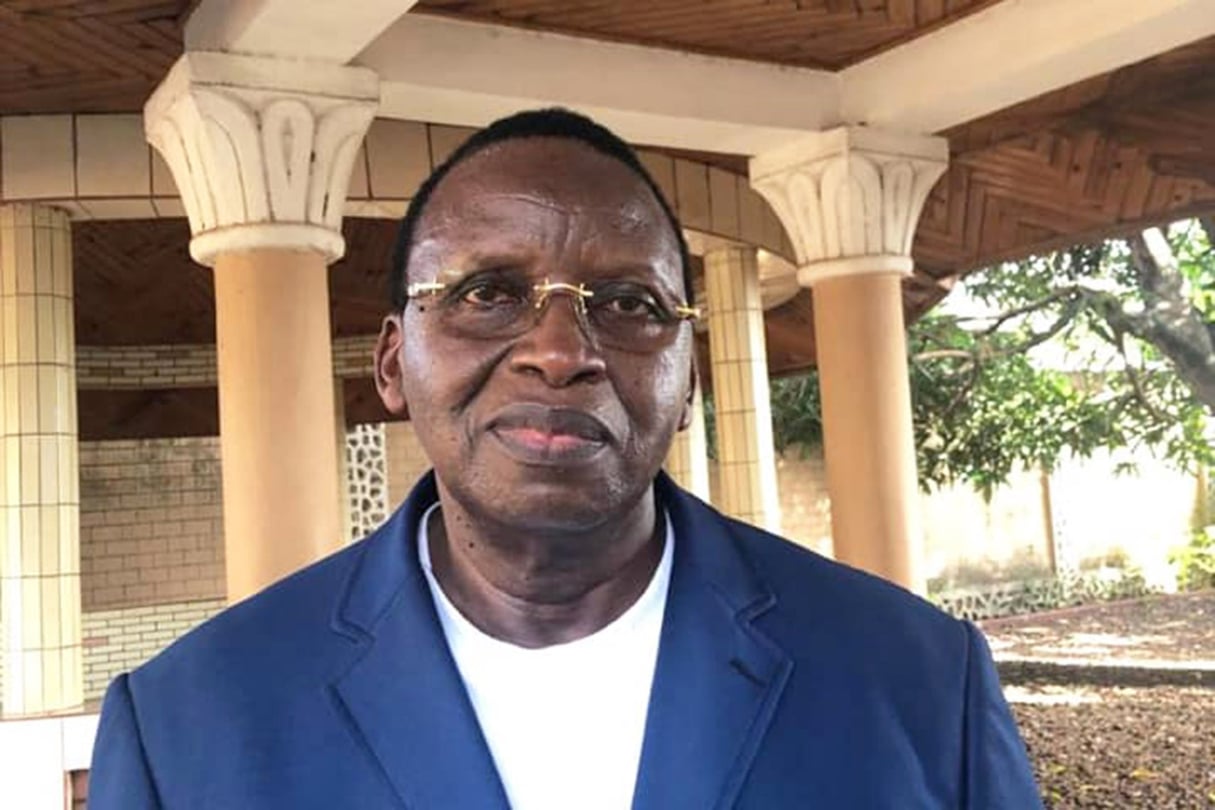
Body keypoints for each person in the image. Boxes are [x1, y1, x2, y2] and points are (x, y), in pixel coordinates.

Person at [89, 108, 1042, 809]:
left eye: (628, 304)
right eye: (487, 293)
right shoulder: (189, 725)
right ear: (392, 365)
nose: (558, 351)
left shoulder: (916, 680)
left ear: (687, 380)